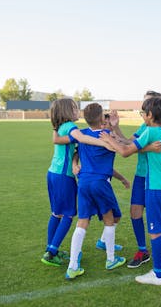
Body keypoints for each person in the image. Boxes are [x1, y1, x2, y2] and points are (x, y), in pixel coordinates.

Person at [101, 96, 161, 286]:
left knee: (155, 231)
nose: (142, 116)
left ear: (150, 115)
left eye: (143, 113)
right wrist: (147, 147)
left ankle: (158, 275)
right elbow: (134, 144)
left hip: (155, 189)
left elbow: (126, 151)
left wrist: (108, 138)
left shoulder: (150, 131)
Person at [42, 98, 112, 267]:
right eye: (74, 108)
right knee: (68, 214)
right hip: (63, 177)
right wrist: (104, 143)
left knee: (56, 213)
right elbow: (82, 138)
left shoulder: (60, 127)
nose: (77, 111)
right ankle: (51, 252)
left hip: (52, 173)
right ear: (67, 111)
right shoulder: (71, 128)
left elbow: (60, 139)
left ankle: (51, 249)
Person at [65, 103, 127, 279]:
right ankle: (110, 259)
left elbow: (76, 150)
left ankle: (73, 266)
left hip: (83, 182)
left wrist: (74, 162)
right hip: (100, 183)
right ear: (101, 119)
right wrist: (115, 127)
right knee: (109, 219)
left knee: (82, 222)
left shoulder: (82, 133)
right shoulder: (107, 136)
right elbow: (127, 145)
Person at [107, 91, 161, 269]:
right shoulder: (144, 127)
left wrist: (143, 147)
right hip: (141, 175)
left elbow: (129, 149)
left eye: (146, 105)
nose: (143, 109)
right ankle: (143, 251)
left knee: (158, 216)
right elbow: (128, 142)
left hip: (155, 177)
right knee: (135, 212)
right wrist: (116, 127)